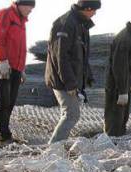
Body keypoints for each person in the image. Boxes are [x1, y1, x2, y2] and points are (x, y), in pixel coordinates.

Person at [45, 0, 101, 144]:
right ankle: (52, 149)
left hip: (70, 79)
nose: (95, 14)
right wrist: (70, 83)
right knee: (71, 115)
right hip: (62, 80)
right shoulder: (66, 23)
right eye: (94, 10)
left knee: (69, 114)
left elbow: (81, 55)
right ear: (87, 8)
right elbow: (60, 56)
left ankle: (57, 146)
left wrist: (87, 76)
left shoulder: (81, 24)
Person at [0, 0, 35, 147]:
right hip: (3, 64)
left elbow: (20, 46)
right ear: (21, 4)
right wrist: (2, 60)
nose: (31, 10)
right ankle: (4, 138)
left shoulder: (21, 21)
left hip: (15, 67)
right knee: (3, 100)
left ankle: (0, 133)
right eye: (30, 7)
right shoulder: (5, 14)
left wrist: (22, 69)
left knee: (10, 101)